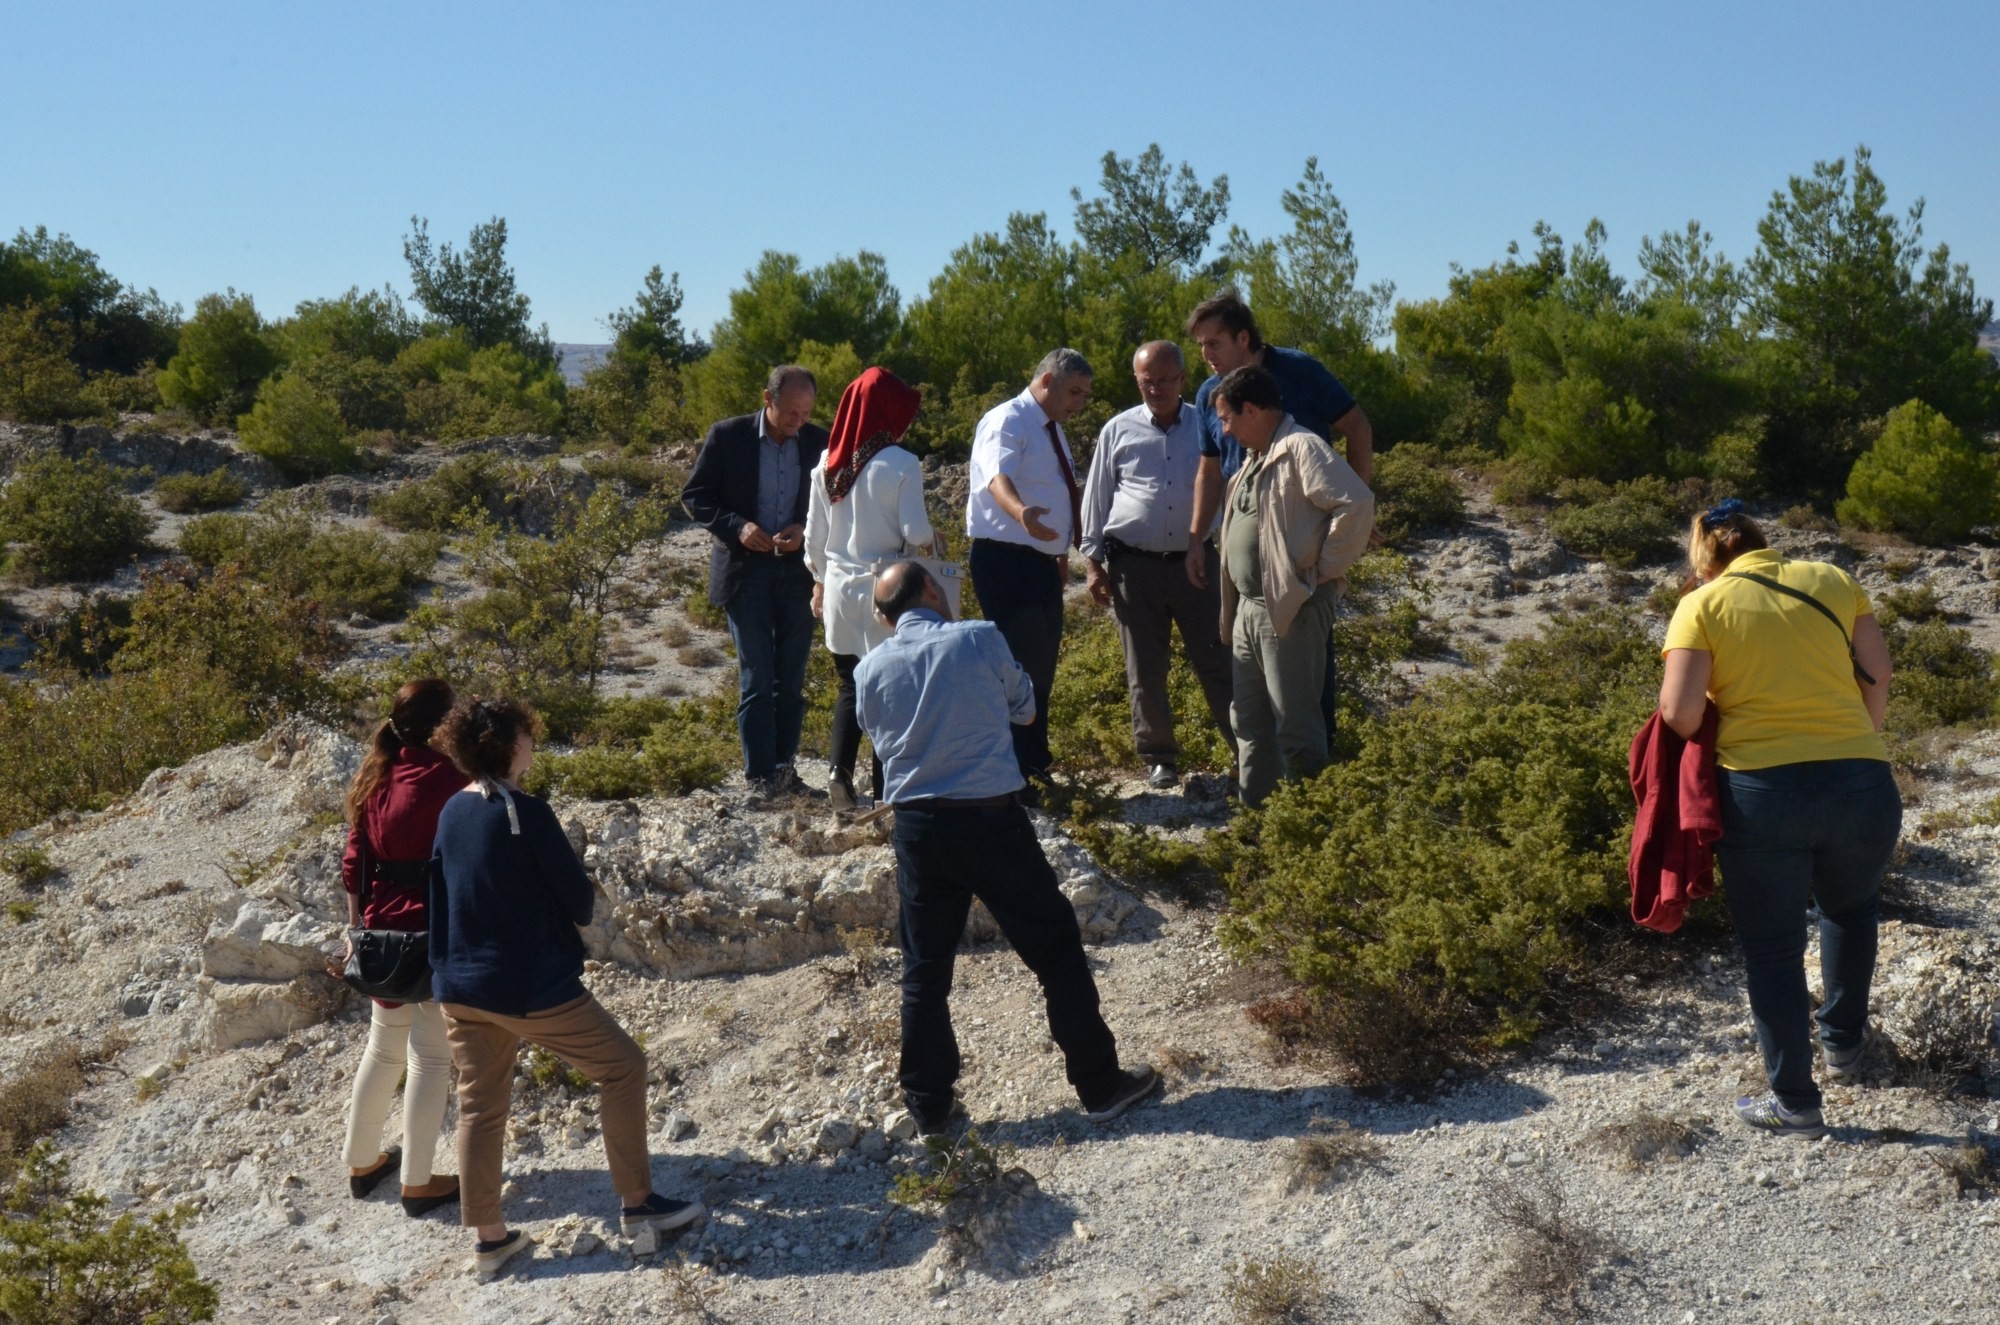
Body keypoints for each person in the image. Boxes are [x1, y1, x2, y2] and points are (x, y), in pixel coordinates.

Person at [854, 561, 1160, 1133]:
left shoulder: (870, 668)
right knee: (1056, 953)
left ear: (883, 615)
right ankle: (1099, 1085)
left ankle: (930, 1110)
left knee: (925, 971)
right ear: (930, 591)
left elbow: (877, 736)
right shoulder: (978, 636)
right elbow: (1025, 708)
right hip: (991, 820)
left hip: (918, 830)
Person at [427, 697, 703, 1276]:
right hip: (527, 986)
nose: (532, 740)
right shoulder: (526, 812)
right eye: (526, 733)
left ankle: (489, 1237)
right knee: (623, 1067)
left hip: (459, 984)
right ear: (509, 745)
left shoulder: (453, 809)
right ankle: (638, 1205)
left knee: (480, 1106)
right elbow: (578, 904)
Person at [1659, 500, 1898, 1139]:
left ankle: (1795, 1101)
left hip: (1761, 794)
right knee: (1851, 911)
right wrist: (1858, 741)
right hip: (1861, 780)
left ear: (1707, 557)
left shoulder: (1701, 606)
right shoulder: (1832, 579)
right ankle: (1845, 1047)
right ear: (1764, 543)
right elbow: (1878, 672)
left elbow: (1680, 713)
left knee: (1773, 948)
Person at [1184, 291, 1373, 747]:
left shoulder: (1300, 371)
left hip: (1297, 557)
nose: (1206, 356)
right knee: (1251, 702)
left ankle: (1314, 787)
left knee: (1303, 691)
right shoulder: (1210, 394)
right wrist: (1195, 538)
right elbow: (1210, 468)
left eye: (1214, 343)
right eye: (1200, 346)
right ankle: (1267, 798)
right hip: (1244, 568)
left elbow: (1357, 429)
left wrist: (1334, 551)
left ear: (1243, 337)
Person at [1212, 364, 1373, 807]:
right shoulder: (1253, 458)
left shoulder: (1302, 447)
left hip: (1291, 606)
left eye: (1226, 418)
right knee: (1249, 721)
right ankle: (1259, 821)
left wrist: (1321, 572)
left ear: (1250, 409)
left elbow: (1356, 503)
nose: (1224, 431)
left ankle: (1307, 831)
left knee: (1296, 725)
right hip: (1249, 607)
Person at [1078, 341, 1232, 791]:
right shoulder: (1117, 430)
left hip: (1197, 562)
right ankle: (1159, 758)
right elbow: (1097, 497)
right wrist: (1093, 563)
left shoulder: (1208, 425)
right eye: (1148, 381)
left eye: (1165, 380)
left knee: (1219, 658)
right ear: (1136, 381)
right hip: (1133, 567)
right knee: (1144, 668)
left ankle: (1246, 751)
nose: (1156, 389)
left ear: (1183, 380)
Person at [338, 678, 462, 1219]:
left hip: (380, 934)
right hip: (434, 934)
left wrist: (355, 934)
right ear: (442, 726)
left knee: (383, 1049)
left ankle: (362, 1162)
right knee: (432, 1058)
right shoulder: (451, 779)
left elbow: (353, 867)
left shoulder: (375, 775)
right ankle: (417, 1181)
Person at [681, 364, 828, 797]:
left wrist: (805, 527)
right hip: (745, 573)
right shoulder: (728, 436)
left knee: (792, 679)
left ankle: (785, 772)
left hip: (800, 573)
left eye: (806, 413)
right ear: (768, 399)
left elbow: (834, 501)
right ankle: (760, 776)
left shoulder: (820, 441)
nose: (799, 422)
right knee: (758, 677)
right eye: (791, 413)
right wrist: (738, 526)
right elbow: (695, 497)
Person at [804, 366, 933, 810]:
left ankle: (839, 773)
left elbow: (813, 538)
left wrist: (819, 581)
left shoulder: (826, 463)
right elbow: (916, 532)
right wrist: (936, 540)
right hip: (886, 590)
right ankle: (884, 793)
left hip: (840, 587)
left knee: (849, 685)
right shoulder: (901, 463)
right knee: (889, 690)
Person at [965, 347, 1093, 788]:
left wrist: (1058, 553)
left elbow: (1054, 492)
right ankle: (1016, 771)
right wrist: (1020, 513)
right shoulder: (1008, 420)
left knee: (1039, 667)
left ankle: (1033, 764)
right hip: (1006, 561)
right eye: (1073, 391)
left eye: (1084, 394)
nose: (1079, 401)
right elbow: (997, 478)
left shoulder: (1050, 429)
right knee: (1017, 669)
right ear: (1045, 382)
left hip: (1038, 563)